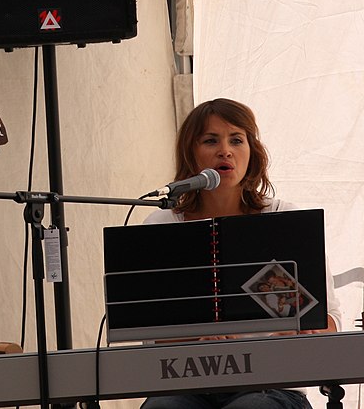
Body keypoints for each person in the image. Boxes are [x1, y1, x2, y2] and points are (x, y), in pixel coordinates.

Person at [140, 98, 341, 409]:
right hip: (186, 384)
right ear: (190, 154)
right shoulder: (162, 225)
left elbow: (329, 322)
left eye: (236, 139)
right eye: (210, 140)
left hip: (273, 387)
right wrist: (194, 341)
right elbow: (149, 334)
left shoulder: (284, 219)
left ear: (252, 151)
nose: (225, 150)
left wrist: (302, 327)